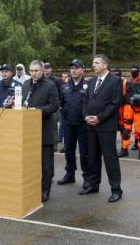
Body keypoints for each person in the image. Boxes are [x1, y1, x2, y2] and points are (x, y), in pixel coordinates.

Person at [80, 54, 123, 203]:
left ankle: (116, 190)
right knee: (93, 158)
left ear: (105, 65)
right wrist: (86, 116)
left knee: (110, 159)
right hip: (91, 126)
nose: (94, 65)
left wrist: (99, 118)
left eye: (96, 63)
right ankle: (93, 185)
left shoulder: (115, 81)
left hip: (106, 126)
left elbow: (114, 104)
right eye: (93, 63)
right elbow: (85, 101)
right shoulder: (91, 82)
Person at [22, 60, 59, 203]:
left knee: (46, 164)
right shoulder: (26, 85)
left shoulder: (50, 86)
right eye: (31, 71)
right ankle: (32, 187)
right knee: (31, 162)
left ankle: (45, 190)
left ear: (42, 71)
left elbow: (55, 105)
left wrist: (37, 111)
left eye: (36, 70)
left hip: (44, 129)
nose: (33, 73)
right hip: (28, 132)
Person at [57, 59, 90, 188]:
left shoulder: (88, 85)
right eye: (72, 68)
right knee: (69, 151)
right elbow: (61, 104)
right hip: (69, 124)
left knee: (84, 153)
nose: (74, 70)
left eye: (76, 68)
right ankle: (69, 175)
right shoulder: (64, 87)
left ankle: (87, 177)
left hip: (83, 125)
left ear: (82, 69)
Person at [119, 65, 140, 160]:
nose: (133, 73)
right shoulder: (126, 81)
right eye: (132, 71)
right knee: (126, 130)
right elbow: (124, 94)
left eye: (135, 71)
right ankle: (124, 149)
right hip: (128, 107)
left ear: (138, 72)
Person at [44, 62, 63, 152]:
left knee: (54, 125)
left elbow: (61, 93)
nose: (45, 69)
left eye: (47, 68)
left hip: (54, 106)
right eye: (44, 67)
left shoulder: (57, 80)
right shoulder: (41, 79)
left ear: (51, 69)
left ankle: (54, 145)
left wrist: (59, 104)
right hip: (44, 105)